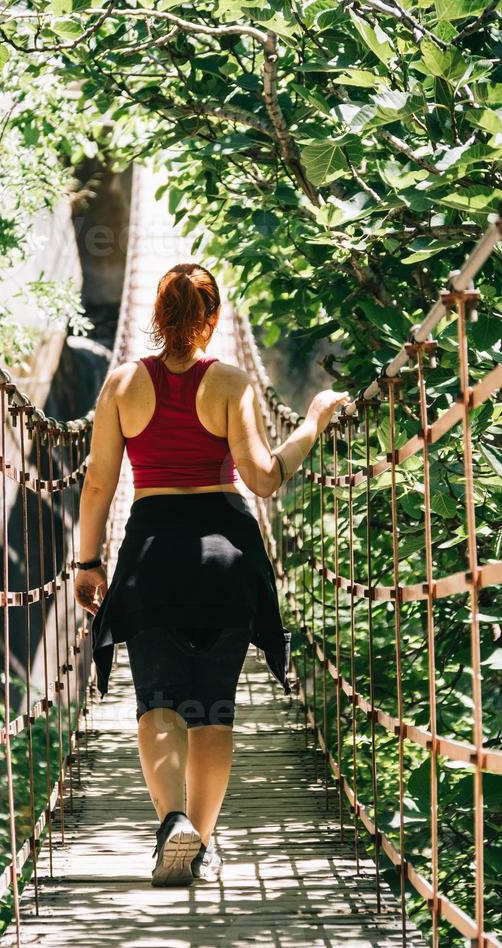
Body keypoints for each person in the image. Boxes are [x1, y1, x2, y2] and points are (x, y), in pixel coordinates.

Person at [73, 262, 348, 887]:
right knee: (213, 712)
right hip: (227, 558)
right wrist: (313, 421)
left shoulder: (120, 385)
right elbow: (263, 478)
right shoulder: (229, 382)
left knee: (159, 702)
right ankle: (205, 843)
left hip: (150, 560)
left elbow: (97, 483)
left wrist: (88, 563)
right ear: (214, 319)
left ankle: (173, 821)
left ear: (155, 316)